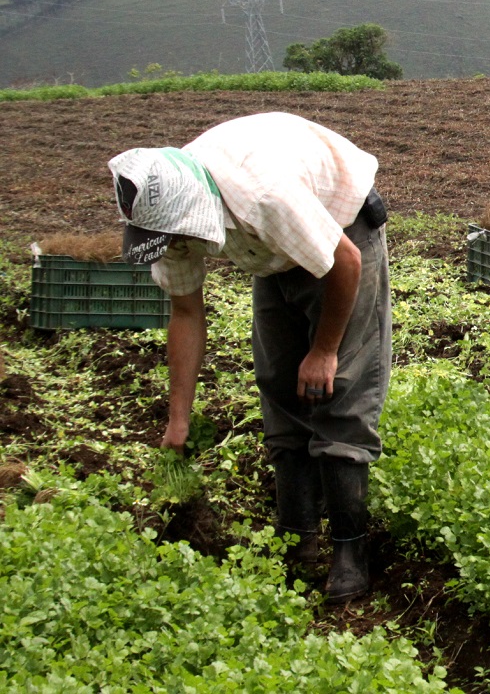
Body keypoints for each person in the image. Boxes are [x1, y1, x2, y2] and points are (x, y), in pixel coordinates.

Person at [109, 112, 390, 603]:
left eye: (178, 239)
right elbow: (185, 312)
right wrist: (178, 421)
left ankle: (350, 550)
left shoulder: (264, 197)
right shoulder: (166, 212)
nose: (174, 248)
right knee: (279, 383)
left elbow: (344, 261)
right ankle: (296, 539)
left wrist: (324, 351)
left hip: (342, 232)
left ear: (192, 216)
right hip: (270, 252)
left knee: (338, 389)